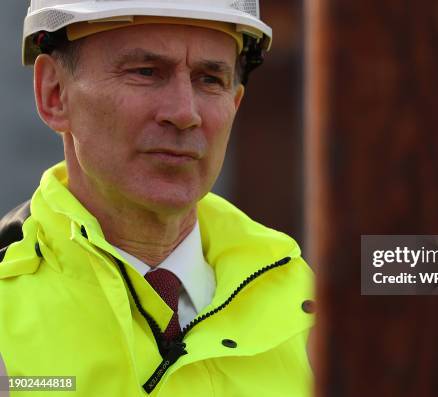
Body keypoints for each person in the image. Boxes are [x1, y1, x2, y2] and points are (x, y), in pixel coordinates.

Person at [0, 1, 314, 396]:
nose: (184, 113)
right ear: (54, 93)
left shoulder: (312, 314)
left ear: (235, 105)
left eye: (209, 79)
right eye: (146, 72)